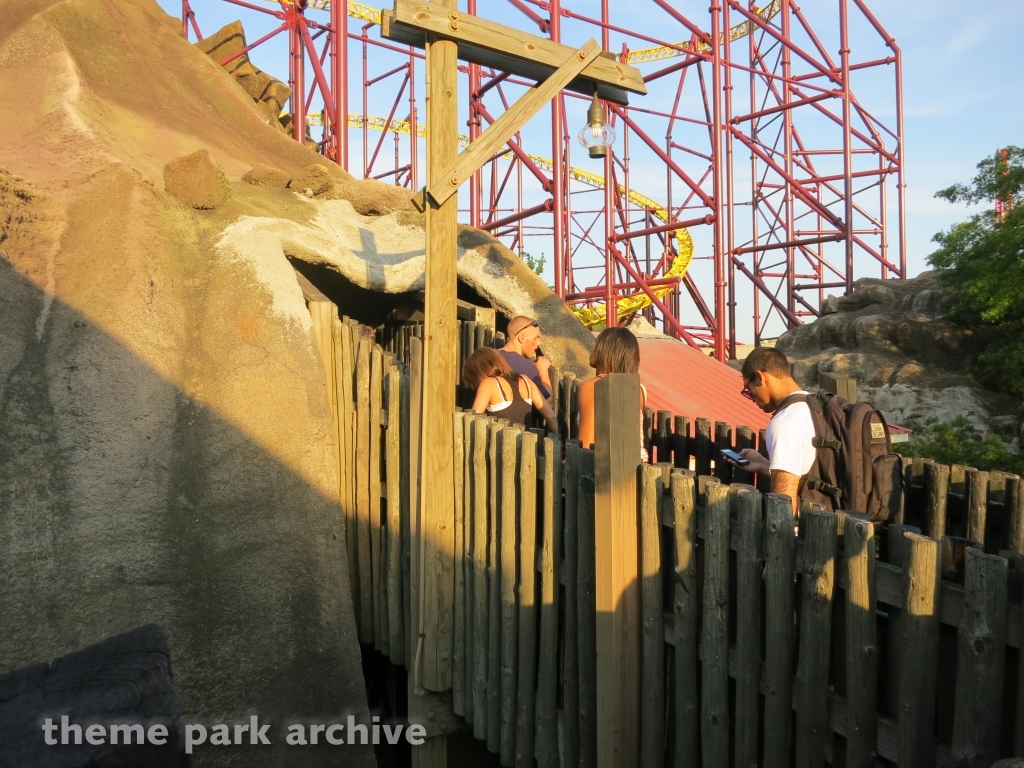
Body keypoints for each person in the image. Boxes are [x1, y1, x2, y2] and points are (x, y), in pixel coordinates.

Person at [726, 347, 814, 517]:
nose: (752, 399)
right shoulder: (818, 406)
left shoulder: (785, 421)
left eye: (748, 390)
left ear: (760, 377)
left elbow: (784, 504)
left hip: (808, 534)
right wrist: (764, 465)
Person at [576, 327, 648, 461]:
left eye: (596, 344)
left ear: (605, 350)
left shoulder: (592, 386)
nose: (592, 349)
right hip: (636, 465)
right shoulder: (639, 390)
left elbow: (586, 444)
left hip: (604, 466)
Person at [463, 347, 559, 433]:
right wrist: (556, 440)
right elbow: (552, 417)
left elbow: (474, 418)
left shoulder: (488, 383)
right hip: (529, 445)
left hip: (503, 446)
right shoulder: (526, 380)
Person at [499, 316, 552, 401]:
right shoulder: (526, 366)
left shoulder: (488, 357)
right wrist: (543, 370)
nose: (539, 343)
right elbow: (547, 402)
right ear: (521, 338)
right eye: (536, 338)